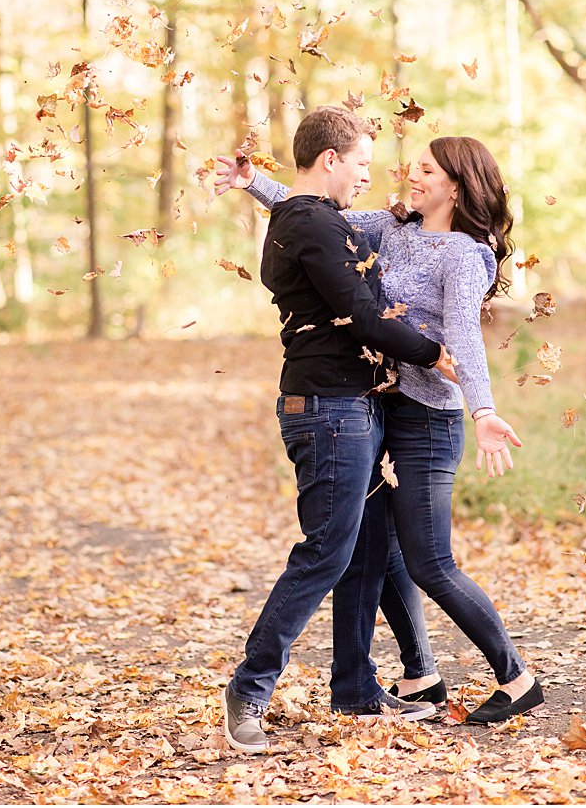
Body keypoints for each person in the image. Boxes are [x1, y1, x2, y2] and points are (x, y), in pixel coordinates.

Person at [217, 134, 543, 725]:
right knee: (373, 550)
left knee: (428, 562)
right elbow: (318, 214)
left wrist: (483, 408)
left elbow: (464, 336)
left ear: (457, 185)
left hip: (430, 418)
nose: (410, 177)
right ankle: (413, 675)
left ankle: (515, 677)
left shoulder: (466, 254)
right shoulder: (393, 227)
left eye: (425, 170)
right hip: (380, 406)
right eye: (412, 167)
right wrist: (251, 183)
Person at [209, 105, 461, 754]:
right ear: (330, 159)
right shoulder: (308, 220)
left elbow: (356, 275)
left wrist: (249, 181)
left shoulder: (315, 219)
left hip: (356, 404)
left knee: (369, 550)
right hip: (328, 410)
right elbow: (366, 317)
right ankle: (250, 685)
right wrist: (435, 354)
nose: (364, 177)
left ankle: (355, 686)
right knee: (326, 550)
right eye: (359, 164)